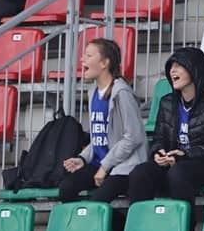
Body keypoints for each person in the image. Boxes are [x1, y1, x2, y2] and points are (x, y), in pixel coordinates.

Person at [126, 47, 204, 231]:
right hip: (175, 161)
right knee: (140, 173)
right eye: (171, 66)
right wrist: (158, 153)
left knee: (179, 173)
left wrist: (186, 154)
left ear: (195, 69)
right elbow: (159, 138)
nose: (172, 70)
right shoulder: (167, 102)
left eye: (179, 66)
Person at [58, 38, 147, 203]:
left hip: (123, 167)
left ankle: (117, 222)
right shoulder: (93, 92)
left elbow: (133, 137)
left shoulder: (122, 93)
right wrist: (83, 158)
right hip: (101, 164)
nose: (82, 59)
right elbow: (99, 136)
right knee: (66, 188)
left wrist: (105, 166)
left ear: (104, 63)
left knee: (97, 203)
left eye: (88, 55)